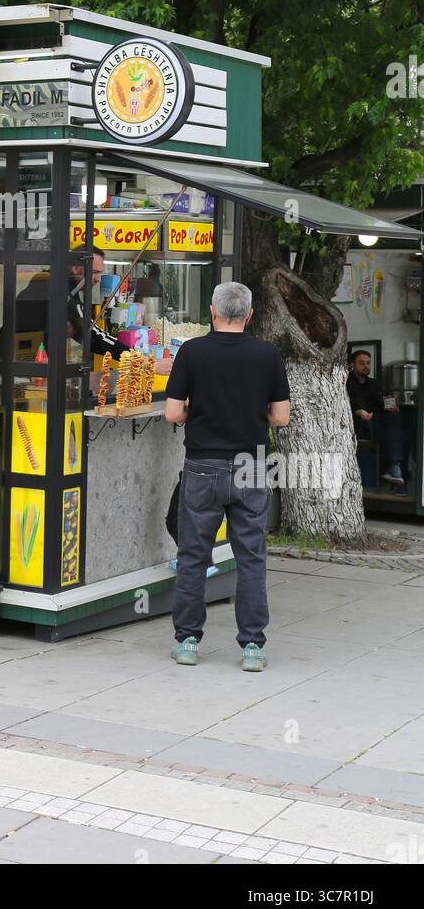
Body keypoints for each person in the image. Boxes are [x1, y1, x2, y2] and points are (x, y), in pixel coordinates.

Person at [164, 280, 290, 672]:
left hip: (203, 466)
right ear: (249, 315)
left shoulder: (192, 351)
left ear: (212, 312)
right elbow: (281, 418)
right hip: (251, 466)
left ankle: (187, 640)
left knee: (193, 556)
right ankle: (252, 646)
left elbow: (172, 413)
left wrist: (192, 415)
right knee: (251, 557)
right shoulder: (267, 355)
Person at [0, 244, 129, 364]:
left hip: (19, 359)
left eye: (100, 273)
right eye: (94, 272)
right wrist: (131, 357)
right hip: (5, 363)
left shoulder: (60, 284)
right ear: (75, 268)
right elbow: (92, 334)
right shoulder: (56, 285)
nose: (97, 279)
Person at [346, 349, 405, 488]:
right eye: (361, 363)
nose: (366, 366)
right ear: (352, 364)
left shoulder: (373, 383)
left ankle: (394, 466)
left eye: (368, 363)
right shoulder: (346, 383)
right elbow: (343, 405)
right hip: (359, 422)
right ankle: (393, 469)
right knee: (394, 433)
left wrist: (392, 405)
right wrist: (358, 412)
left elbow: (383, 401)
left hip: (377, 419)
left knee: (397, 419)